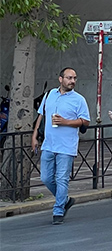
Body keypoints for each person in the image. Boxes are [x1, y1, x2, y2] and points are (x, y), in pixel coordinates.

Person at [31, 67, 90, 225]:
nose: (72, 81)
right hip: (48, 144)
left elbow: (85, 122)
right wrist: (34, 136)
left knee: (61, 179)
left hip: (66, 146)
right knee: (45, 177)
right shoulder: (50, 94)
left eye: (74, 78)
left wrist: (66, 122)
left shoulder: (79, 99)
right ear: (60, 79)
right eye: (69, 78)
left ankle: (58, 210)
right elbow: (41, 116)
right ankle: (65, 200)